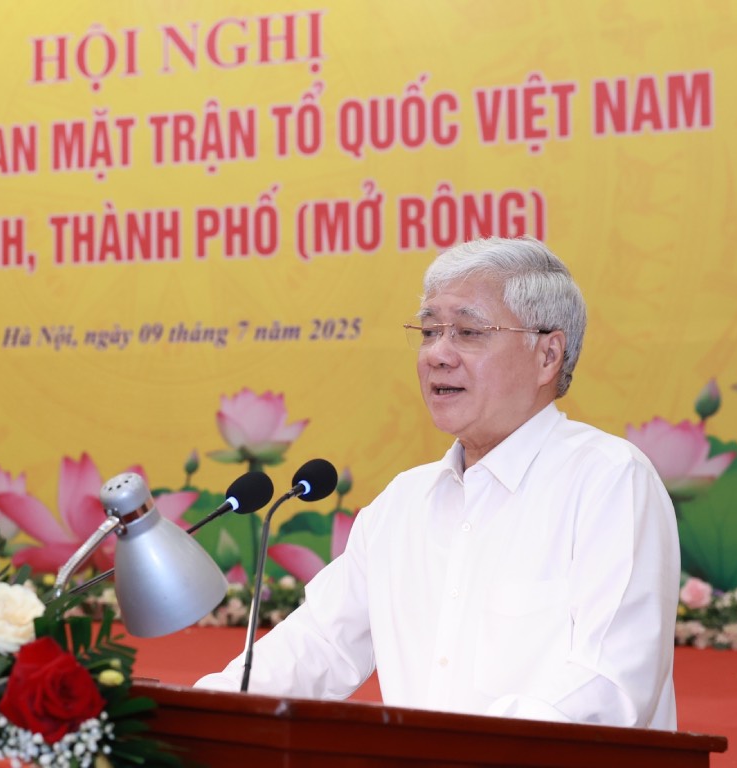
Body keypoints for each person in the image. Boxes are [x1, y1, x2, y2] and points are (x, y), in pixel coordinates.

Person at [196, 235, 679, 729]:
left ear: (547, 355)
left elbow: (611, 683)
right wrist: (197, 716)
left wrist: (465, 751)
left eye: (469, 332)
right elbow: (316, 647)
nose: (437, 355)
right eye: (429, 332)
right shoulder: (403, 503)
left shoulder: (610, 481)